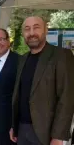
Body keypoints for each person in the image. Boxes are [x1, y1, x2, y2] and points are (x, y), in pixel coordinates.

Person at [10, 16, 74, 145]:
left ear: (46, 30)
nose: (32, 33)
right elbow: (20, 95)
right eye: (27, 29)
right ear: (23, 33)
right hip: (22, 130)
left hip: (46, 132)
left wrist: (58, 136)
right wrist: (14, 126)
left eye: (36, 27)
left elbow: (67, 98)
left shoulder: (62, 56)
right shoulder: (22, 59)